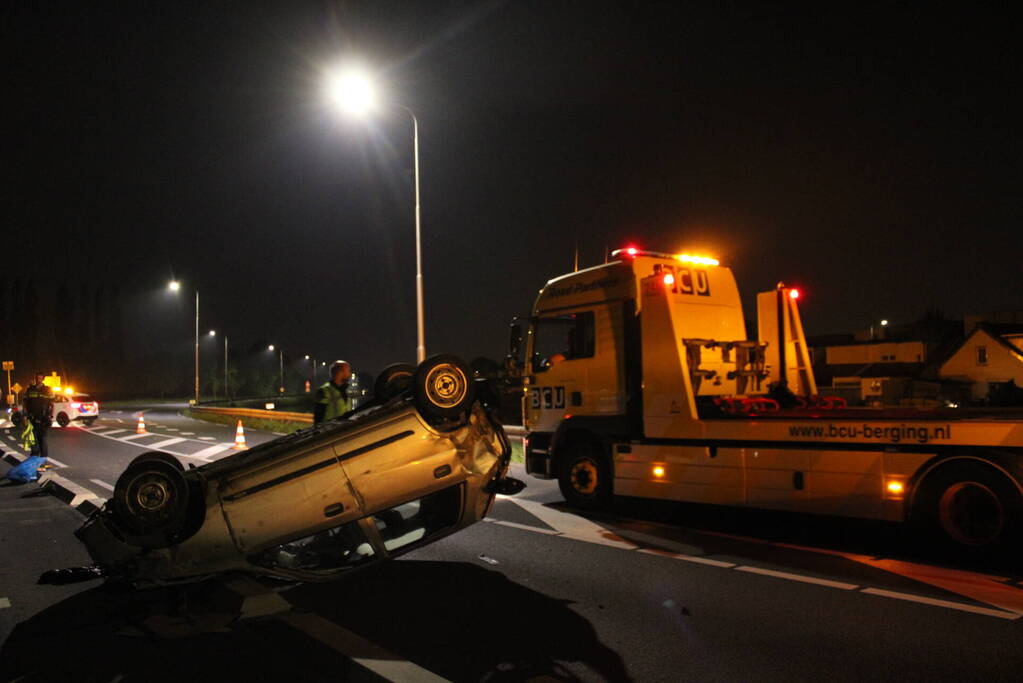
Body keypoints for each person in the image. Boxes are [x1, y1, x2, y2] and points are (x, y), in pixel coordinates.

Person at [23, 372, 54, 458]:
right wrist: (25, 415)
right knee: (33, 439)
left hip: (44, 418)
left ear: (43, 379)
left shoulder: (48, 390)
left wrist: (51, 416)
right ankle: (34, 457)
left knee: (43, 439)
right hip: (32, 417)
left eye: (40, 378)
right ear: (35, 379)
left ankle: (43, 459)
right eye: (37, 378)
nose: (38, 380)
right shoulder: (30, 389)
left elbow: (52, 404)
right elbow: (25, 403)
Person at [314, 360, 352, 425]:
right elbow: (318, 418)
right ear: (340, 372)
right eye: (348, 371)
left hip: (345, 431)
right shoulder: (324, 390)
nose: (350, 374)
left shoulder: (344, 391)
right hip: (330, 432)